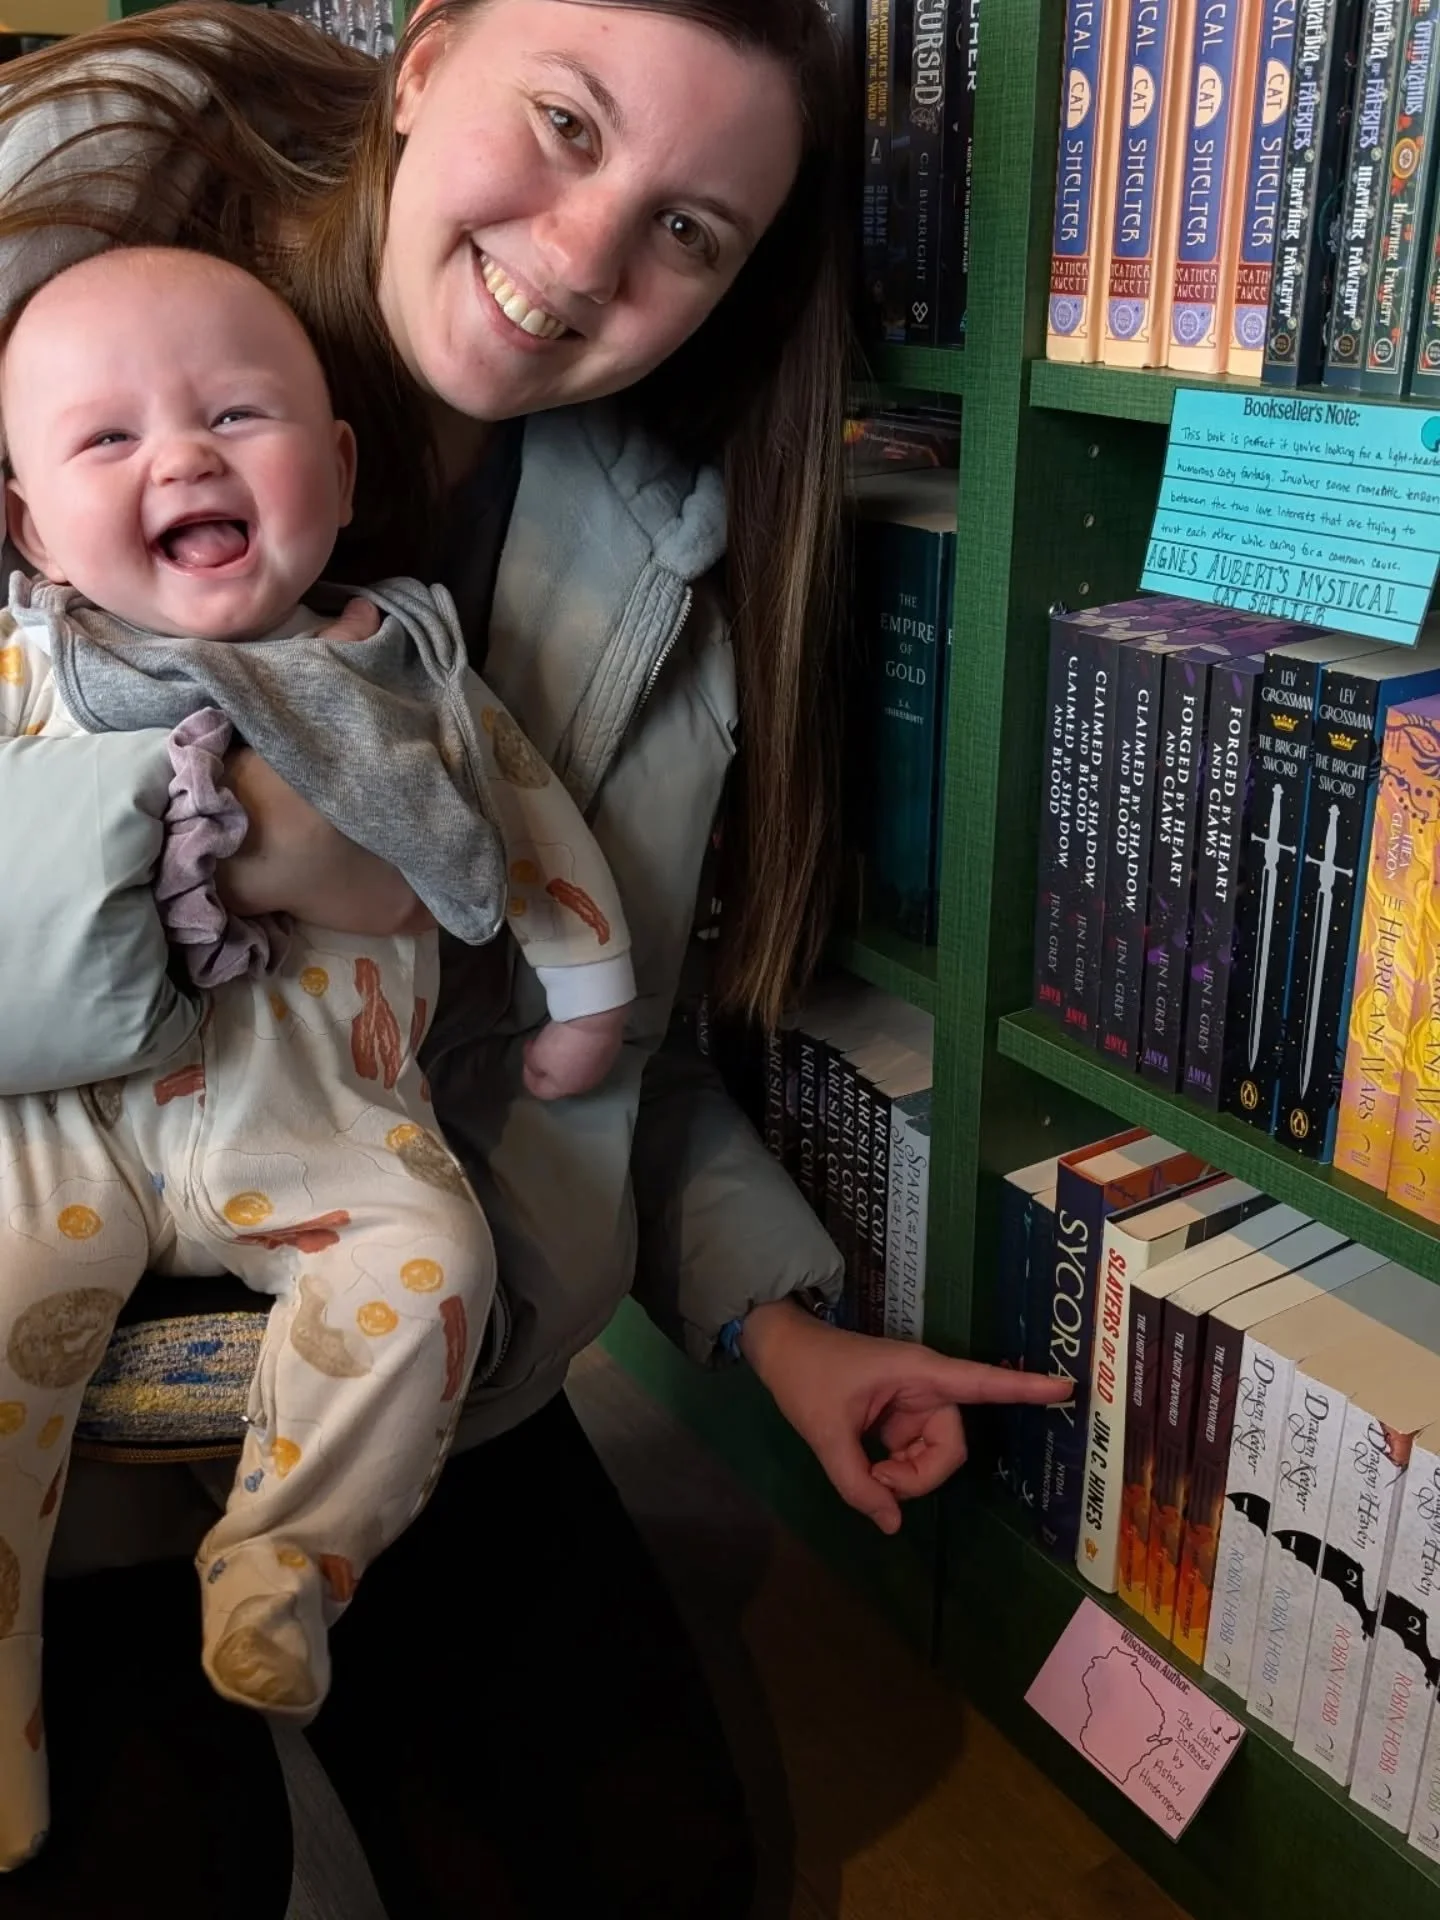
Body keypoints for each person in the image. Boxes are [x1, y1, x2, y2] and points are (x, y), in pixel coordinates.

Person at [0, 5, 1066, 1914]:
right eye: (562, 123)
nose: (581, 261)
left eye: (689, 232)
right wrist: (246, 841)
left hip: (403, 1326)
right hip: (53, 1359)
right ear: (419, 64)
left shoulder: (648, 543)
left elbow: (599, 1041)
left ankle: (295, 1573)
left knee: (661, 1873)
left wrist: (772, 1317)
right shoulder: (79, 347)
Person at [0, 238, 645, 1870]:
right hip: (73, 1120)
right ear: (24, 522)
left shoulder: (400, 668)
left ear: (340, 471)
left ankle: (286, 1559)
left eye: (236, 413)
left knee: (435, 1263)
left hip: (325, 1122)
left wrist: (593, 999)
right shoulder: (30, 669)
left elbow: (531, 829)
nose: (187, 457)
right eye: (108, 441)